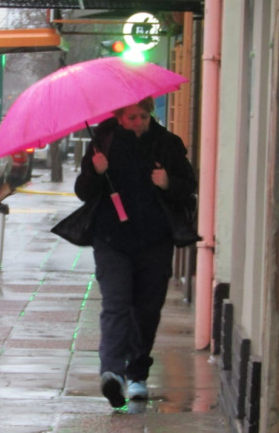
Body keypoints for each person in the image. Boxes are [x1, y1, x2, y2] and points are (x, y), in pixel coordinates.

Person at [74, 96, 197, 409]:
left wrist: (168, 181)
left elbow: (188, 187)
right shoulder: (103, 142)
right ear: (119, 117)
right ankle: (112, 372)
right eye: (131, 118)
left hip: (155, 242)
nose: (138, 123)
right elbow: (83, 192)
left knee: (146, 310)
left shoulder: (168, 144)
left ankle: (137, 373)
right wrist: (95, 170)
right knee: (116, 304)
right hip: (112, 240)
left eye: (143, 116)